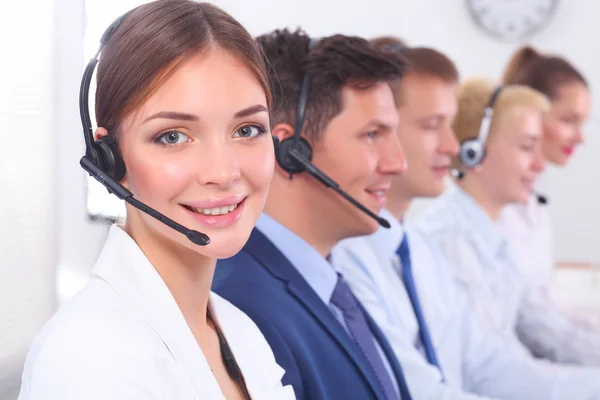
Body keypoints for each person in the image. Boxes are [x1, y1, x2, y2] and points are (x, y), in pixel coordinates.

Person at [18, 2, 294, 399]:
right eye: (173, 136)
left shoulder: (239, 330)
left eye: (247, 129)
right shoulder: (87, 362)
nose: (224, 171)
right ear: (109, 161)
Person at [333, 40, 600, 400]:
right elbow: (417, 392)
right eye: (432, 125)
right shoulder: (349, 261)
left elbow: (490, 364)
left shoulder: (421, 252)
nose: (452, 145)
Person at [213, 29, 412, 399]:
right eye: (372, 134)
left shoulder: (329, 284)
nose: (398, 163)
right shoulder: (241, 307)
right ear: (289, 150)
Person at [498, 46, 600, 366]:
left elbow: (550, 305)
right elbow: (533, 324)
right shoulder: (496, 208)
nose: (580, 138)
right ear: (531, 114)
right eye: (569, 120)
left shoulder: (535, 202)